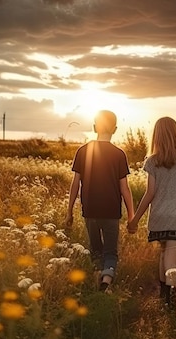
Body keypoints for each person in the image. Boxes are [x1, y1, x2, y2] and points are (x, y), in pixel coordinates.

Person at [127, 116, 176, 310]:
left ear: (156, 136)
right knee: (171, 259)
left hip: (158, 218)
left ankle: (163, 297)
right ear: (175, 134)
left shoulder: (153, 161)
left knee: (163, 255)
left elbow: (149, 193)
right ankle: (171, 303)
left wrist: (135, 220)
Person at [65, 110, 134, 292]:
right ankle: (107, 278)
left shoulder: (82, 151)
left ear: (95, 127)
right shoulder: (119, 154)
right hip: (111, 212)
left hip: (90, 210)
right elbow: (124, 189)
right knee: (110, 251)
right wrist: (132, 216)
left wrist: (69, 211)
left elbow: (75, 184)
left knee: (95, 250)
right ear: (115, 129)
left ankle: (97, 278)